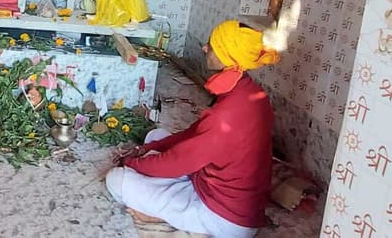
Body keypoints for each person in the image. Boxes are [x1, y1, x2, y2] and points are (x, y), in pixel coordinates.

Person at [105, 20, 280, 237]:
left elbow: (177, 162)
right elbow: (194, 134)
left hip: (224, 217)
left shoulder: (225, 117)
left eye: (211, 46)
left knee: (117, 179)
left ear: (226, 57)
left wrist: (132, 162)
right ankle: (162, 190)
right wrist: (149, 148)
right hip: (215, 185)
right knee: (155, 135)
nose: (205, 48)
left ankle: (163, 215)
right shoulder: (252, 93)